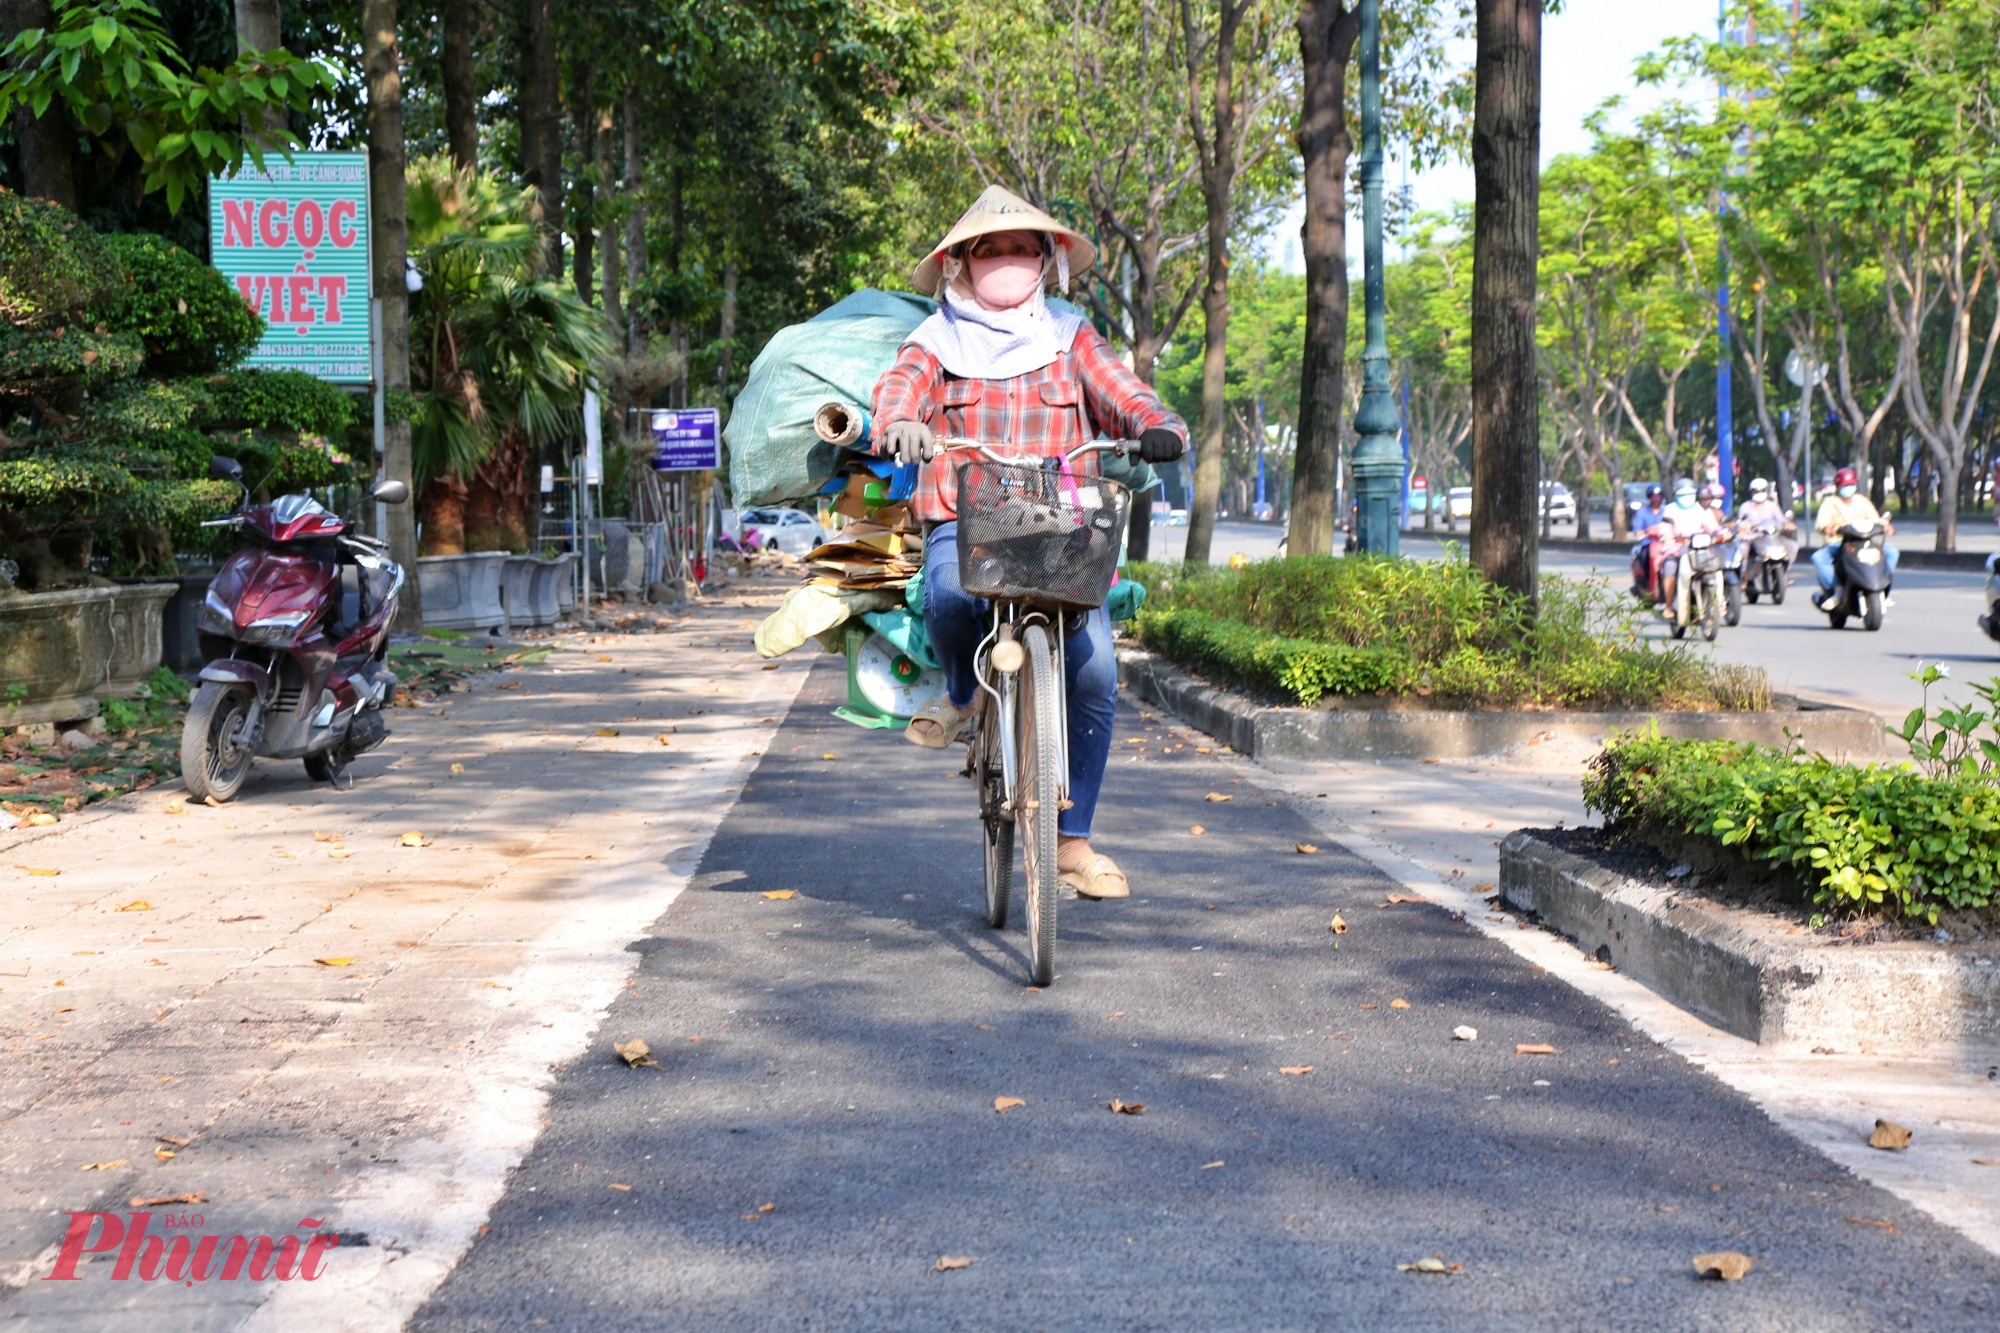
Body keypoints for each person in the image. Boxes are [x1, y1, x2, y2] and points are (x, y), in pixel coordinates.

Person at [870, 186, 1188, 902]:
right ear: (960, 264)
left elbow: (1127, 394)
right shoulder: (933, 343)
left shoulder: (1072, 336)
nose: (1007, 260)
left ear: (1046, 261)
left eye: (1021, 248)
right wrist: (901, 423)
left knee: (1098, 669)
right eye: (991, 249)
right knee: (951, 597)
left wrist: (1158, 425)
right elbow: (897, 390)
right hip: (964, 516)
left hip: (1060, 520)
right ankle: (962, 697)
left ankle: (1072, 842)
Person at [1811, 466, 1899, 608]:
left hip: (1864, 543)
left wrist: (1885, 525)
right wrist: (1829, 528)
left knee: (1891, 552)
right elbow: (1822, 524)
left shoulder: (1862, 501)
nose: (1848, 489)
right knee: (1818, 557)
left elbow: (1875, 519)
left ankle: (1882, 585)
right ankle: (1837, 589)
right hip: (1839, 544)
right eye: (1845, 486)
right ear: (1838, 487)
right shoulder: (1830, 504)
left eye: (1851, 485)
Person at [1654, 479, 1719, 614]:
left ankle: (1721, 603)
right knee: (1670, 566)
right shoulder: (1670, 509)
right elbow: (1664, 529)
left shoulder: (1701, 509)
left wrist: (1723, 533)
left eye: (1689, 494)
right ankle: (1669, 606)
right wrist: (1666, 536)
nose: (1686, 498)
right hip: (1676, 548)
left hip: (1699, 549)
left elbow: (1714, 528)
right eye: (1682, 495)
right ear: (1675, 495)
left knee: (1715, 566)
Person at [1735, 477, 1798, 564]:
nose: (1760, 493)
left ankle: (1786, 571)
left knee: (1793, 546)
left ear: (1767, 491)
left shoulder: (1772, 505)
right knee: (1743, 548)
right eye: (1756, 491)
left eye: (1763, 490)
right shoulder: (1745, 507)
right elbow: (1741, 524)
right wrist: (1743, 530)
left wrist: (1788, 524)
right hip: (1753, 538)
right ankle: (1745, 574)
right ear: (1751, 492)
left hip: (1772, 538)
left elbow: (1781, 519)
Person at [1628, 483, 1666, 595]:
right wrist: (1647, 532)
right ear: (1649, 497)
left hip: (1665, 544)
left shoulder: (1666, 512)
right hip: (1648, 544)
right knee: (1644, 557)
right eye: (1653, 496)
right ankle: (1645, 582)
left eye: (1658, 496)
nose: (1656, 499)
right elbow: (1637, 531)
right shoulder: (1642, 512)